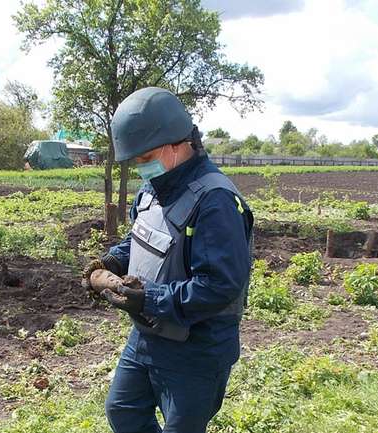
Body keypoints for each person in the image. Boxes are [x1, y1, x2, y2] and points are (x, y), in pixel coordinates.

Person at [82, 87, 254, 433]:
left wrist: (149, 298)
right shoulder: (153, 189)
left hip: (196, 347)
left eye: (146, 158)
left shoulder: (215, 201)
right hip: (148, 334)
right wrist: (113, 262)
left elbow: (220, 286)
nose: (142, 167)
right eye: (137, 161)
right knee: (123, 410)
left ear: (177, 143)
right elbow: (143, 239)